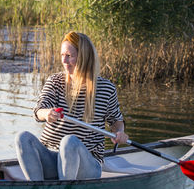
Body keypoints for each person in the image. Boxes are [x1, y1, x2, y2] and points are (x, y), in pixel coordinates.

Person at [15, 31, 128, 180]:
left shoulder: (106, 88)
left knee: (69, 142)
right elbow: (39, 110)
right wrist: (46, 113)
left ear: (83, 58)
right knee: (22, 137)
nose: (64, 60)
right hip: (52, 159)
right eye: (62, 55)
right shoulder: (55, 81)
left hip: (87, 165)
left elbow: (116, 122)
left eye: (69, 56)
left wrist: (119, 133)